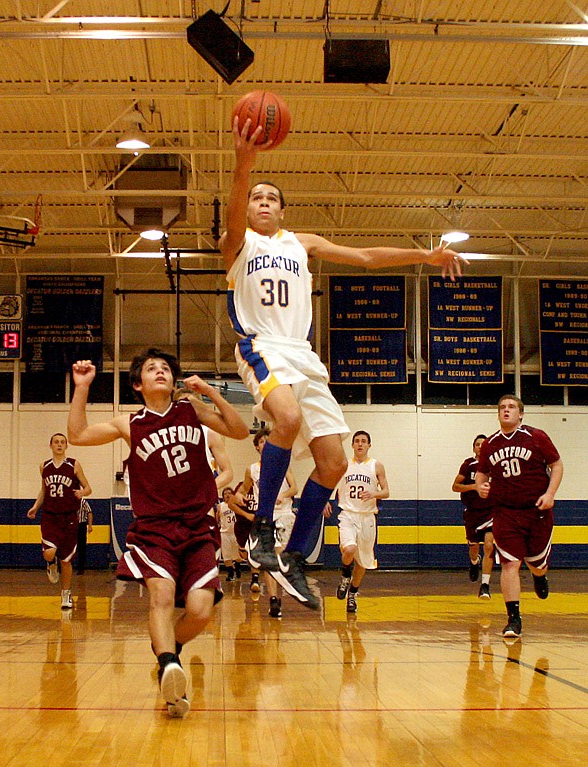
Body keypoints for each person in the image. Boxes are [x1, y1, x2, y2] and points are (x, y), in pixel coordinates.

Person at [221, 116, 465, 609]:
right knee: (285, 420)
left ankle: (291, 556)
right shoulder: (237, 244)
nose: (262, 202)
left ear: (283, 210)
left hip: (304, 356)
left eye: (271, 198)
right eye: (256, 197)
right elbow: (233, 206)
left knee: (332, 463)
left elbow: (366, 257)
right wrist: (244, 164)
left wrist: (424, 255)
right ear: (247, 207)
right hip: (261, 345)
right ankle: (262, 529)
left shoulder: (301, 243)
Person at [67, 349, 249, 717]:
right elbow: (78, 434)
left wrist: (211, 393)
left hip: (198, 526)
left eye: (165, 368)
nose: (161, 372)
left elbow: (239, 430)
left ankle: (171, 654)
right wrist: (82, 387)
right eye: (152, 369)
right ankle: (167, 664)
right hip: (156, 528)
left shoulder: (191, 412)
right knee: (162, 597)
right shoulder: (129, 424)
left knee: (200, 612)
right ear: (138, 384)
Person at [475, 395, 563, 639]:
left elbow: (557, 465)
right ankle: (513, 618)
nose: (506, 411)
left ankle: (539, 575)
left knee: (536, 563)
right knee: (510, 564)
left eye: (511, 407)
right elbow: (481, 475)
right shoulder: (491, 443)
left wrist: (550, 493)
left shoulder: (536, 436)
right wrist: (481, 487)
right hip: (505, 512)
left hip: (536, 511)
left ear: (521, 414)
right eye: (502, 407)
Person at [233, 427, 298, 618]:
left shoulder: (283, 464)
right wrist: (238, 495)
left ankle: (281, 588)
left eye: (268, 441)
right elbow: (244, 489)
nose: (265, 444)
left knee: (278, 559)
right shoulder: (252, 469)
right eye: (261, 442)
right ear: (257, 447)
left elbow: (294, 488)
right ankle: (273, 600)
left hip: (284, 513)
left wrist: (283, 495)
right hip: (266, 516)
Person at [27, 433, 92, 609]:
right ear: (51, 445)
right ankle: (50, 563)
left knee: (66, 560)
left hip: (69, 517)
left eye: (63, 442)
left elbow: (88, 488)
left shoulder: (74, 464)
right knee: (49, 552)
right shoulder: (44, 466)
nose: (59, 444)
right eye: (56, 442)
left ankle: (66, 595)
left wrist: (82, 493)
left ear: (66, 446)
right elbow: (43, 490)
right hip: (49, 516)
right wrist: (35, 506)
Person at [333, 431, 390, 614]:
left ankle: (353, 593)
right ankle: (344, 575)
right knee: (349, 549)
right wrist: (324, 500)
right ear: (352, 445)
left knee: (364, 562)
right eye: (356, 441)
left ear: (369, 445)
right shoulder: (344, 465)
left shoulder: (376, 466)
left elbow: (386, 492)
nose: (360, 444)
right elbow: (330, 484)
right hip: (348, 514)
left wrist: (375, 493)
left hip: (367, 517)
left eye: (363, 441)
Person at [452, 434, 495, 599]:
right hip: (472, 512)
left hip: (490, 511)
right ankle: (474, 561)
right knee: (474, 547)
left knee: (489, 546)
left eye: (484, 444)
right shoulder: (468, 465)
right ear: (473, 448)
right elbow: (455, 486)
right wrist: (474, 487)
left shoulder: (494, 464)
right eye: (477, 444)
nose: (480, 446)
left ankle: (485, 585)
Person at [216, 486, 242, 582]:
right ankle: (230, 573)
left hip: (236, 533)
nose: (227, 495)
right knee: (226, 556)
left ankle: (238, 567)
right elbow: (217, 519)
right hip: (224, 533)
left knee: (238, 556)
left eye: (229, 493)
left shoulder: (237, 504)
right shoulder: (220, 506)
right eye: (225, 493)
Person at [76, 497, 93, 574]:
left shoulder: (83, 501)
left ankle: (81, 567)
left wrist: (89, 525)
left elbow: (89, 512)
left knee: (81, 546)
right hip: (71, 525)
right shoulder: (69, 501)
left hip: (81, 525)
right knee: (68, 546)